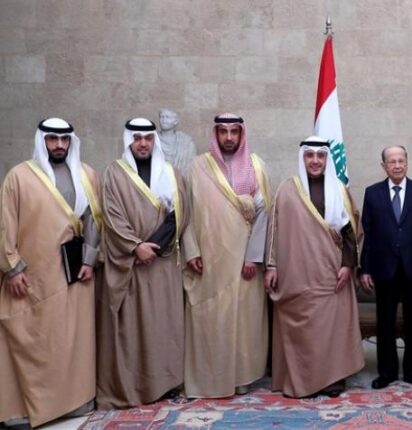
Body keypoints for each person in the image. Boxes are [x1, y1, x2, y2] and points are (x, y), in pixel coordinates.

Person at [0, 118, 101, 429]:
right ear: (42, 140)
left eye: (64, 139)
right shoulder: (19, 176)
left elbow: (94, 220)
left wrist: (89, 259)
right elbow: (5, 223)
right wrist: (12, 268)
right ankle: (22, 410)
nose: (59, 145)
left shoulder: (87, 175)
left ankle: (74, 402)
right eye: (52, 139)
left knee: (71, 340)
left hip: (75, 274)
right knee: (34, 339)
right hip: (32, 275)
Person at [96, 117, 188, 409]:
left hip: (161, 264)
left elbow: (181, 212)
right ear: (129, 141)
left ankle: (166, 384)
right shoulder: (114, 174)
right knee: (134, 328)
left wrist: (154, 247)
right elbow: (111, 216)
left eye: (148, 138)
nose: (143, 144)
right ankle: (134, 386)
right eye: (137, 138)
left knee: (163, 325)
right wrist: (136, 247)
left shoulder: (171, 173)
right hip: (131, 265)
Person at [264, 136, 364, 398]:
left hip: (331, 272)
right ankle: (302, 380)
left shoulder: (339, 189)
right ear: (303, 158)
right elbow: (274, 230)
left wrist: (348, 265)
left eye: (321, 156)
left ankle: (332, 379)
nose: (315, 161)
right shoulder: (286, 190)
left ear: (327, 159)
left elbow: (351, 231)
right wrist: (271, 266)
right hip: (296, 273)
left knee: (330, 328)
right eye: (310, 156)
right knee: (303, 329)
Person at [182, 113, 271, 397]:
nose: (229, 137)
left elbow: (264, 214)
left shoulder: (256, 166)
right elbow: (187, 211)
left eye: (234, 131)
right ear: (216, 134)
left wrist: (253, 257)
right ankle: (210, 377)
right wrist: (191, 250)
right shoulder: (198, 167)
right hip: (209, 260)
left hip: (244, 262)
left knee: (243, 322)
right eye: (223, 131)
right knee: (211, 320)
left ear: (241, 134)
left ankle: (243, 377)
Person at [360, 145, 412, 390]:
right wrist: (365, 268)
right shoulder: (372, 193)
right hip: (384, 269)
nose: (397, 165)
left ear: (407, 162)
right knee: (385, 323)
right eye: (392, 161)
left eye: (401, 160)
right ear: (383, 166)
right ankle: (387, 372)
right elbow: (368, 234)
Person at [158, 108, 196, 174]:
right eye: (162, 117)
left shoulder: (186, 142)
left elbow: (191, 167)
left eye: (167, 117)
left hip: (181, 178)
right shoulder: (153, 139)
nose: (164, 120)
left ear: (175, 121)